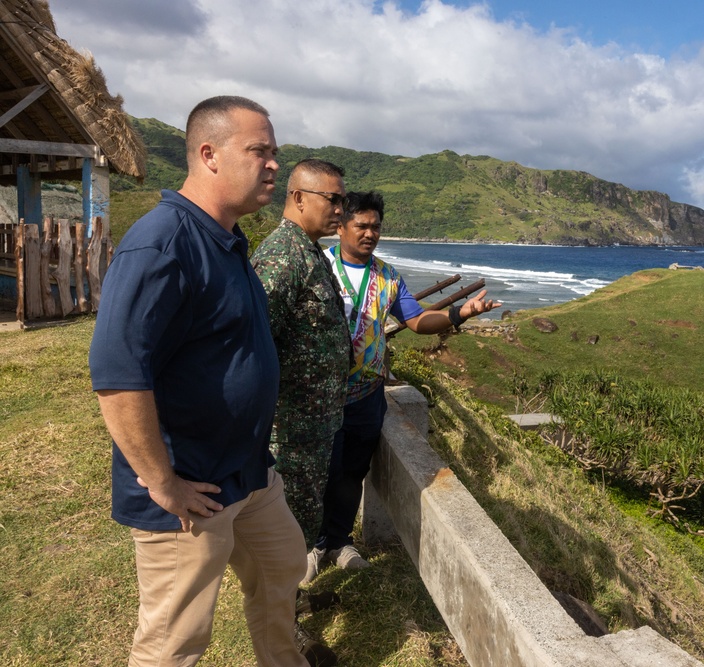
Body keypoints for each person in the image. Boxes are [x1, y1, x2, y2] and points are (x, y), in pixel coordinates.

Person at [88, 96, 319, 666]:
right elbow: (118, 379)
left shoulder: (227, 238)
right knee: (175, 638)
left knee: (282, 567)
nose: (273, 165)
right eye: (259, 151)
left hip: (247, 472)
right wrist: (162, 483)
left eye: (275, 153)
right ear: (210, 155)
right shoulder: (164, 243)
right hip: (190, 487)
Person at [303, 191, 500, 581]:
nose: (370, 233)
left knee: (352, 471)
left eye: (376, 226)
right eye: (362, 225)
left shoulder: (388, 277)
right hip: (320, 395)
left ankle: (339, 541)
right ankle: (309, 545)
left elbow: (417, 320)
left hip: (365, 396)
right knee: (318, 472)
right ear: (341, 226)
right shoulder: (318, 267)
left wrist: (460, 314)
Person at [251, 159, 352, 541]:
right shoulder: (284, 256)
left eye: (342, 200)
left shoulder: (308, 252)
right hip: (290, 431)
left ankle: (289, 598)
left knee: (302, 520)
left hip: (311, 427)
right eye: (332, 199)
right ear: (298, 198)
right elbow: (255, 341)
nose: (340, 210)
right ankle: (282, 600)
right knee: (285, 527)